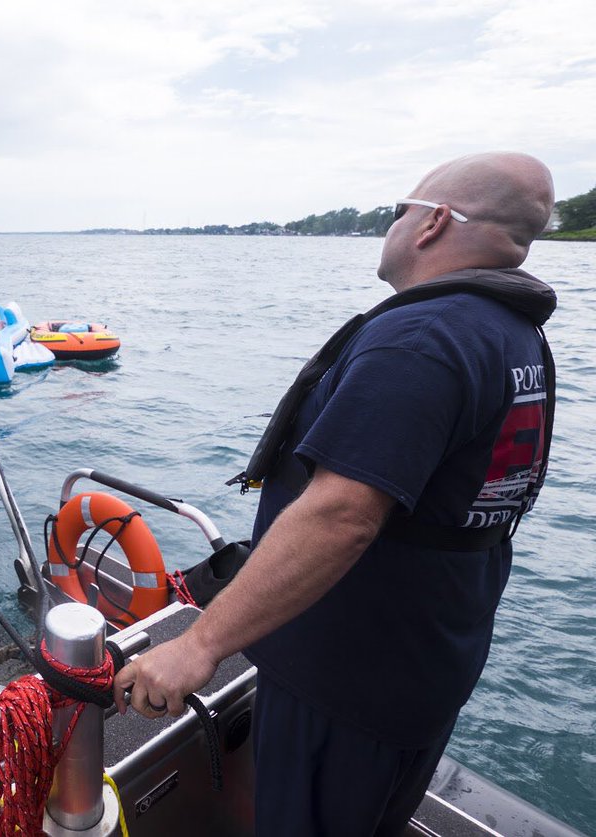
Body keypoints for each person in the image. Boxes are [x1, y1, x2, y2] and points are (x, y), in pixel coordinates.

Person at [113, 152, 557, 836]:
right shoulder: (513, 332)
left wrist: (198, 644)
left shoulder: (424, 337)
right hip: (428, 662)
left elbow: (342, 514)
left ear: (434, 221)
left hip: (348, 685)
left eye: (398, 209)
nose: (394, 223)